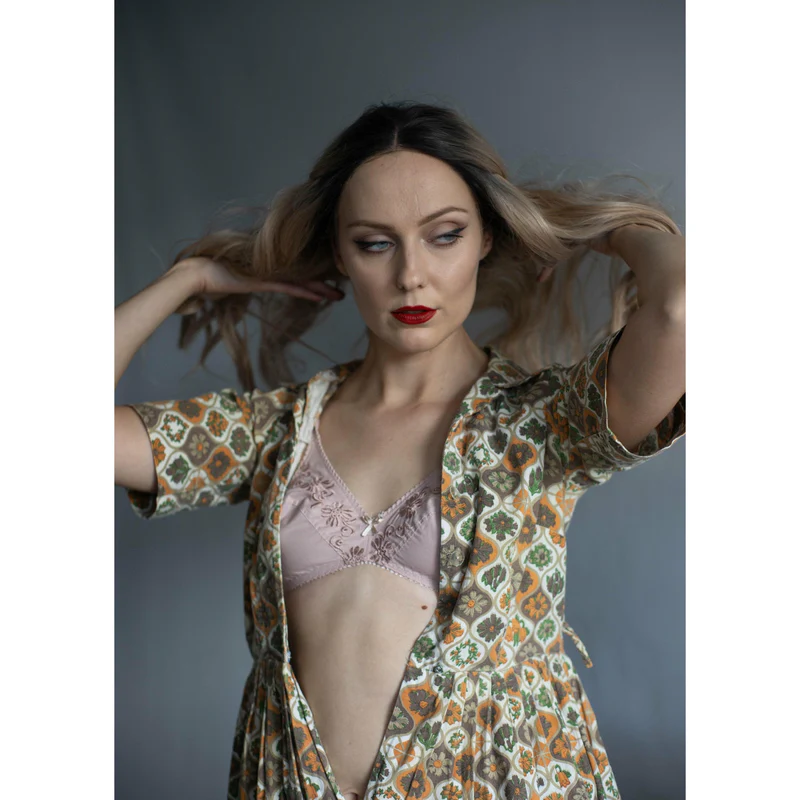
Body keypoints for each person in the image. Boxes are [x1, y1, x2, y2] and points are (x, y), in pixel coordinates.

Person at [115, 101, 685, 800]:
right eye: (375, 244)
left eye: (444, 236)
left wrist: (602, 225)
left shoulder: (541, 423)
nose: (412, 274)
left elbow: (681, 309)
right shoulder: (279, 428)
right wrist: (191, 279)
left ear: (486, 237)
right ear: (339, 253)